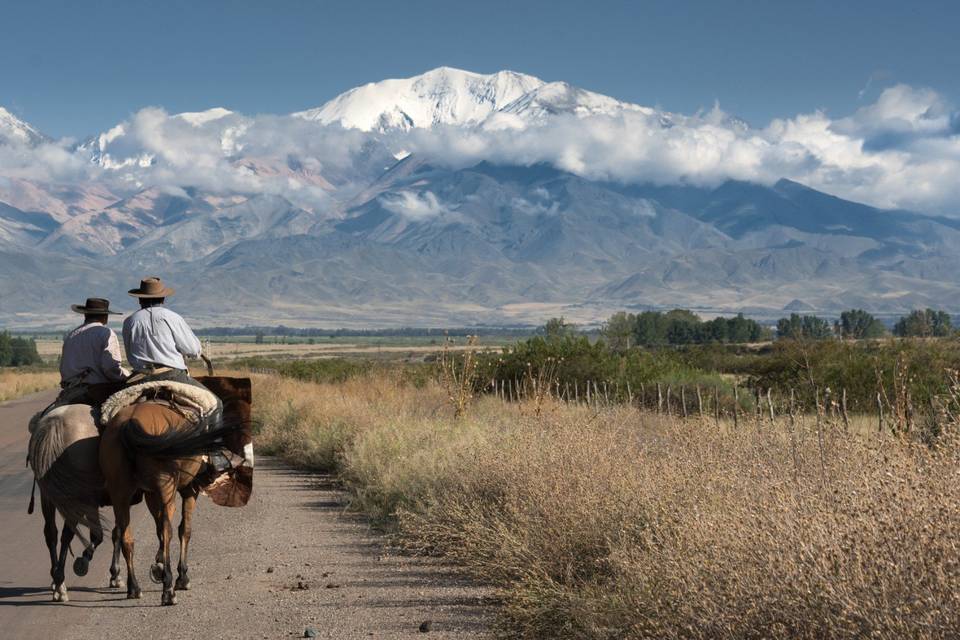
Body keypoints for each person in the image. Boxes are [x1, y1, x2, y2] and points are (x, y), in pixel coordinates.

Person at [122, 277, 203, 383]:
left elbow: (129, 352)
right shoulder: (173, 318)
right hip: (173, 375)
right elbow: (193, 350)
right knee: (215, 400)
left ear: (139, 299)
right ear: (163, 299)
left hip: (140, 377)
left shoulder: (130, 321)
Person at [59, 297, 129, 406]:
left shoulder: (72, 335)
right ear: (105, 316)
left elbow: (64, 367)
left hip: (70, 390)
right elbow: (111, 368)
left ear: (85, 314)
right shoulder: (106, 333)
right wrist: (126, 377)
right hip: (97, 390)